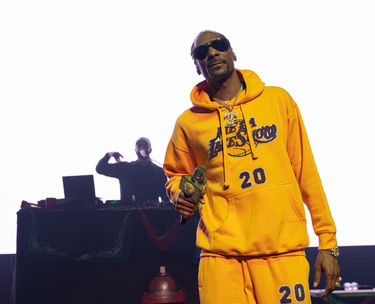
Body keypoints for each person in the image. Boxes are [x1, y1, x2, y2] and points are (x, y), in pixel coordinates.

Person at [163, 30, 341, 303]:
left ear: (232, 53)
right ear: (197, 66)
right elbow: (176, 176)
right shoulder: (188, 123)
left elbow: (307, 173)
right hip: (221, 258)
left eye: (218, 46)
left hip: (281, 252)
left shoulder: (277, 101)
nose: (211, 53)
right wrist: (181, 193)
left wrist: (328, 243)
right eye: (201, 53)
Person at [96, 137, 168, 203]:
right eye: (139, 145)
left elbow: (165, 198)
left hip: (150, 215)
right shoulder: (125, 168)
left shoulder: (159, 172)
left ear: (150, 149)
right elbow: (100, 168)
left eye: (145, 145)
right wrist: (109, 155)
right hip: (129, 214)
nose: (142, 147)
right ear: (135, 150)